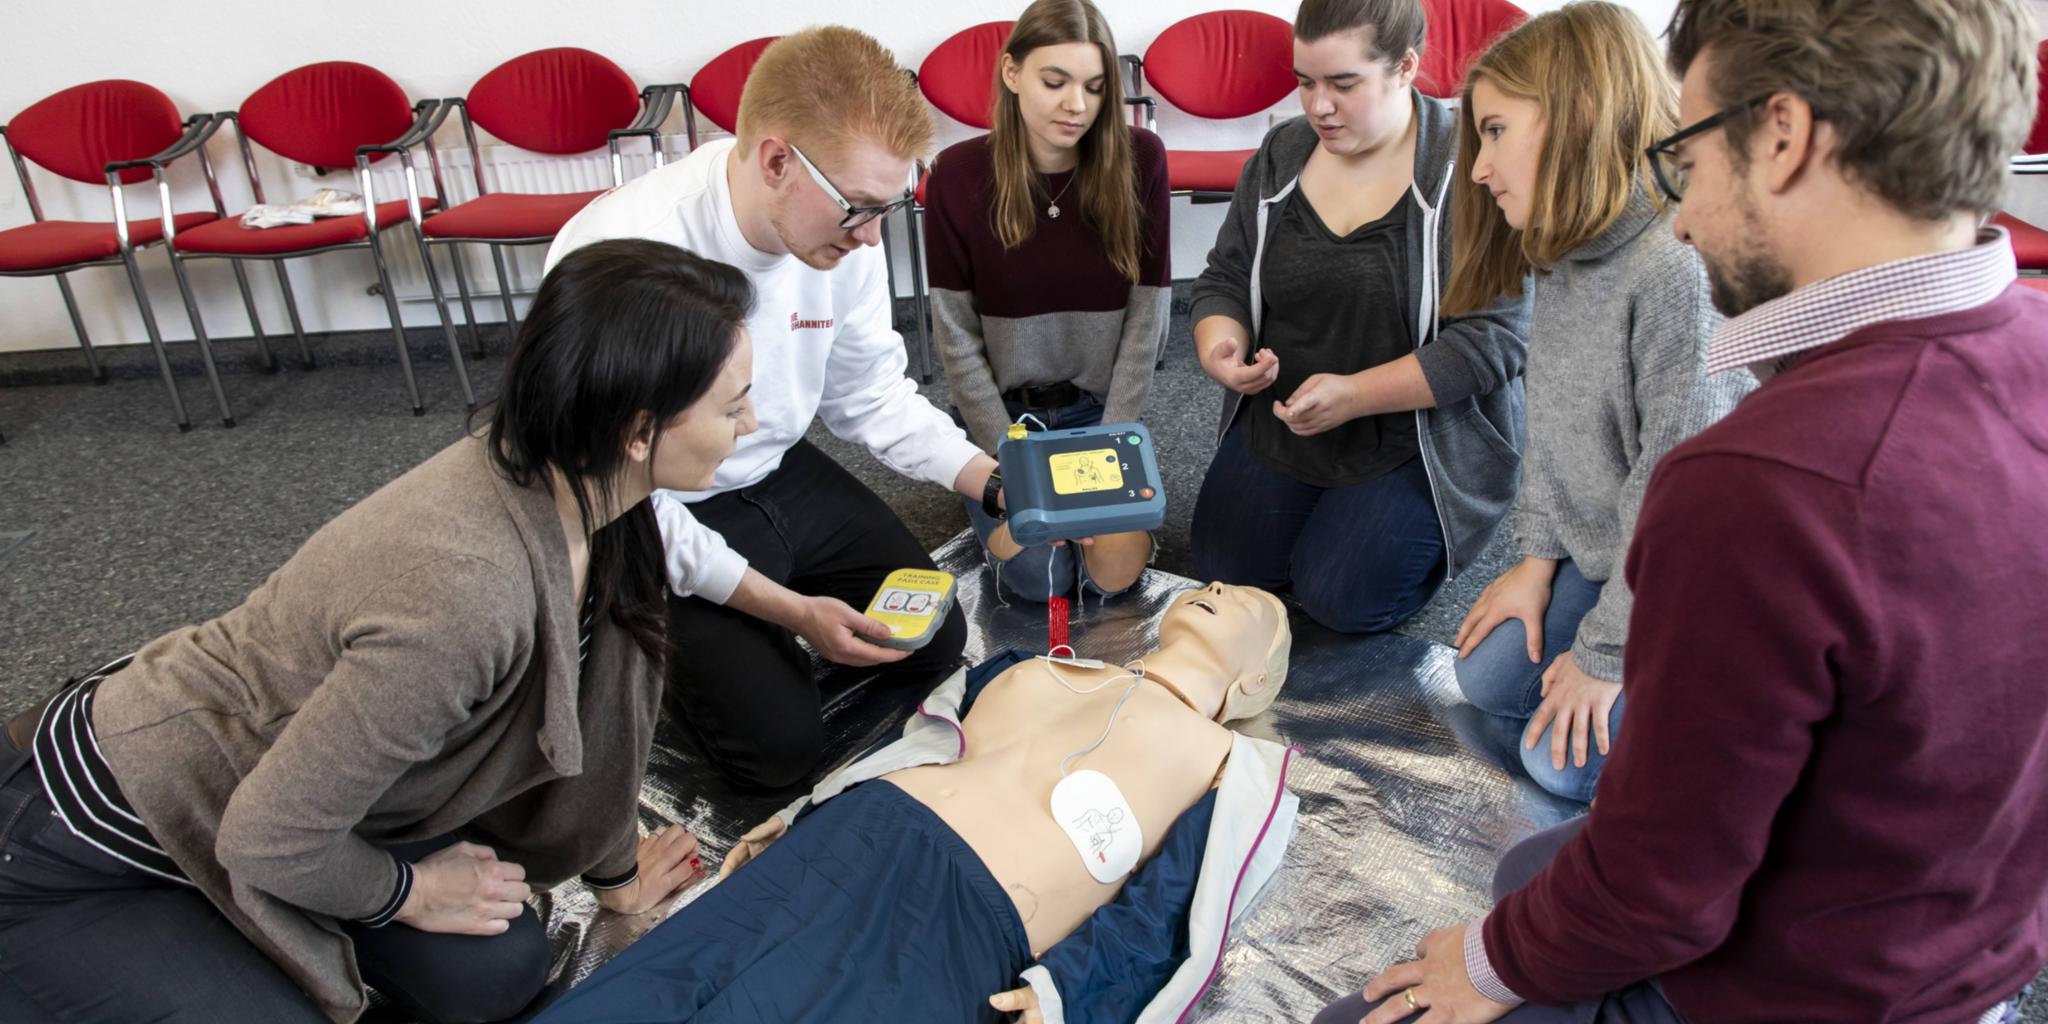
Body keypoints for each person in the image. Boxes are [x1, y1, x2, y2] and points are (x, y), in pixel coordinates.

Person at [1315, 0, 2048, 1021]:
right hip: (1954, 940)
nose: (1685, 214)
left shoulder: (1761, 480)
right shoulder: (2028, 348)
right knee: (1535, 860)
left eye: (1690, 155)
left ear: (1780, 137)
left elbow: (1659, 894)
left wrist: (1488, 965)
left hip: (1792, 984)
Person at [0, 239, 758, 1024]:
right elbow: (266, 840)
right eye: (733, 406)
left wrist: (616, 879)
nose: (753, 420)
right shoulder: (465, 593)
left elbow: (607, 718)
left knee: (493, 974)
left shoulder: (593, 494)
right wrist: (411, 891)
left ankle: (253, 933)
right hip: (95, 836)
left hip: (303, 800)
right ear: (638, 430)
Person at [545, 28, 1003, 791]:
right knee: (779, 753)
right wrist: (789, 611)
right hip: (652, 503)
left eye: (892, 205)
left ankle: (752, 627)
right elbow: (613, 490)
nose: (872, 237)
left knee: (931, 639)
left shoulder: (842, 233)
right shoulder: (624, 257)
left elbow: (871, 393)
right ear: (777, 161)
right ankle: (645, 636)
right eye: (860, 208)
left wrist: (991, 480)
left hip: (777, 467)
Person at [533, 583, 1298, 1024]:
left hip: (960, 919)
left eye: (1244, 606)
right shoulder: (1029, 668)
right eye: (1207, 587)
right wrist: (807, 810)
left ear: (1257, 679)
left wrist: (1070, 994)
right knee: (651, 983)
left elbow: (1173, 908)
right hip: (850, 839)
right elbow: (920, 748)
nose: (1215, 589)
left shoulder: (1232, 765)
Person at [1440, 3, 1752, 804]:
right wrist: (1535, 562)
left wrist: (1606, 656)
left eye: (1498, 131)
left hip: (1694, 575)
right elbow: (1551, 427)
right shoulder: (1565, 248)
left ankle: (1729, 731)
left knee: (1560, 765)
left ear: (1575, 117)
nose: (1479, 167)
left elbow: (1680, 503)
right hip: (1607, 549)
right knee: (1485, 677)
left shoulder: (1674, 272)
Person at [1186, 0, 1531, 636]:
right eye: (1305, 81)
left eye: (1344, 84)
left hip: (1414, 438)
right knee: (1225, 567)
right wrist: (1221, 348)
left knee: (1343, 599)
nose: (1318, 106)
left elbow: (1496, 339)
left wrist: (1357, 394)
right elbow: (1225, 277)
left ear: (1405, 67)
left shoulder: (1468, 170)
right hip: (1290, 417)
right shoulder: (1283, 152)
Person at [924, 0, 1167, 604]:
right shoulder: (956, 174)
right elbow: (954, 336)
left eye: (1094, 86)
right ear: (1012, 74)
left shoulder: (1140, 159)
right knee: (1041, 583)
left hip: (1098, 413)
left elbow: (1148, 317)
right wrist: (1007, 452)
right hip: (1008, 420)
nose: (1076, 105)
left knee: (1111, 576)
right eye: (1054, 82)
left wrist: (1115, 445)